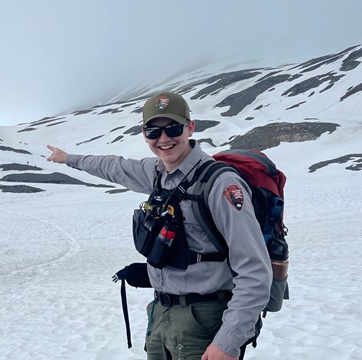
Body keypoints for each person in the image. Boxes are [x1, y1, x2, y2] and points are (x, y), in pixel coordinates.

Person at [46, 91, 272, 360]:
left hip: (205, 322)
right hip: (160, 316)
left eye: (173, 128)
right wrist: (68, 158)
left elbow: (256, 271)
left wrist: (228, 342)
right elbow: (113, 166)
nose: (163, 139)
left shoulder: (220, 184)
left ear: (190, 127)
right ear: (144, 134)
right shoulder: (157, 173)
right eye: (153, 131)